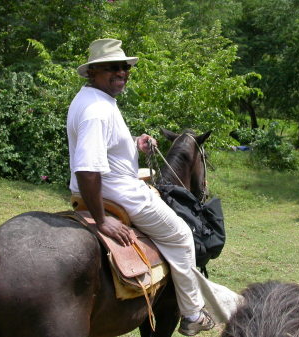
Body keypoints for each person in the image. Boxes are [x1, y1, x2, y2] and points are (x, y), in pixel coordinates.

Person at [66, 38, 214, 336]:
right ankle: (192, 313)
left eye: (124, 67)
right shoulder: (97, 110)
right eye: (112, 68)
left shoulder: (95, 101)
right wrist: (102, 219)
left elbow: (105, 148)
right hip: (121, 195)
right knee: (182, 235)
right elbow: (87, 168)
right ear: (93, 72)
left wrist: (135, 143)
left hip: (111, 188)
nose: (121, 72)